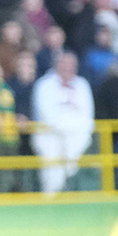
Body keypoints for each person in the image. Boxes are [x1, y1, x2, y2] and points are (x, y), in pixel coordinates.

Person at [31, 51, 95, 193]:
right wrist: (68, 125)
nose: (67, 68)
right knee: (52, 172)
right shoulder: (44, 85)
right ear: (56, 65)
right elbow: (47, 116)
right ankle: (51, 202)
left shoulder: (82, 85)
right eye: (63, 64)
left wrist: (71, 127)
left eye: (71, 65)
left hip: (77, 137)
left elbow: (88, 116)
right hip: (49, 137)